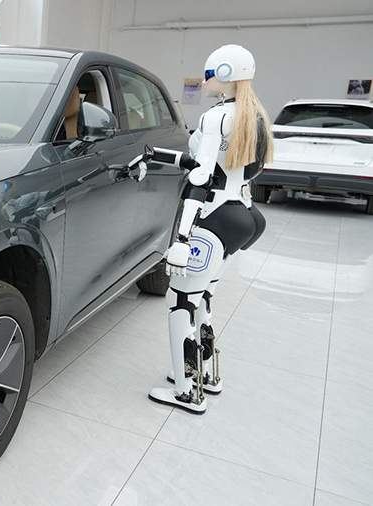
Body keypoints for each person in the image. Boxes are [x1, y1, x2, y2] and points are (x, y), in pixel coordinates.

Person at [127, 44, 274, 413]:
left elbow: (202, 177)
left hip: (212, 217)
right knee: (203, 297)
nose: (204, 81)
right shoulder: (253, 115)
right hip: (242, 215)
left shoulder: (215, 118)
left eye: (209, 74)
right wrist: (153, 155)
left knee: (180, 302)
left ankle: (186, 392)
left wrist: (181, 239)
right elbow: (215, 164)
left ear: (223, 74)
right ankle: (206, 375)